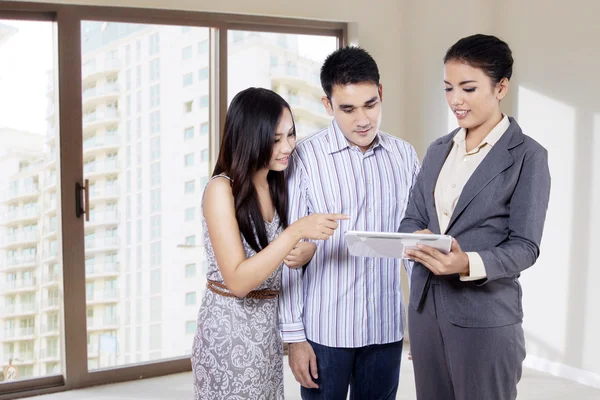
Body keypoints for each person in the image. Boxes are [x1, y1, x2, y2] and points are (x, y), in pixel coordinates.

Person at [399, 34, 551, 400]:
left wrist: (466, 262)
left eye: (468, 88)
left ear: (501, 87)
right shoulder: (438, 150)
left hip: (486, 318)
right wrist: (417, 240)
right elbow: (410, 219)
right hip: (425, 312)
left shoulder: (528, 156)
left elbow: (526, 246)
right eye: (449, 88)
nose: (456, 100)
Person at [279, 47, 421, 400]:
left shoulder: (404, 155)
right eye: (348, 109)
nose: (363, 120)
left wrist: (422, 322)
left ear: (381, 94)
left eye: (370, 104)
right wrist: (295, 338)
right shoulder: (304, 159)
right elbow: (289, 252)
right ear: (328, 106)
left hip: (386, 327)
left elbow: (413, 246)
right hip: (326, 331)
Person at [191, 87, 347, 400]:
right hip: (228, 333)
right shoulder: (221, 190)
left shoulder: (277, 181)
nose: (288, 146)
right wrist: (294, 233)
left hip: (266, 332)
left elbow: (275, 255)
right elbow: (237, 281)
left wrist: (306, 251)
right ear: (249, 137)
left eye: (291, 135)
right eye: (275, 139)